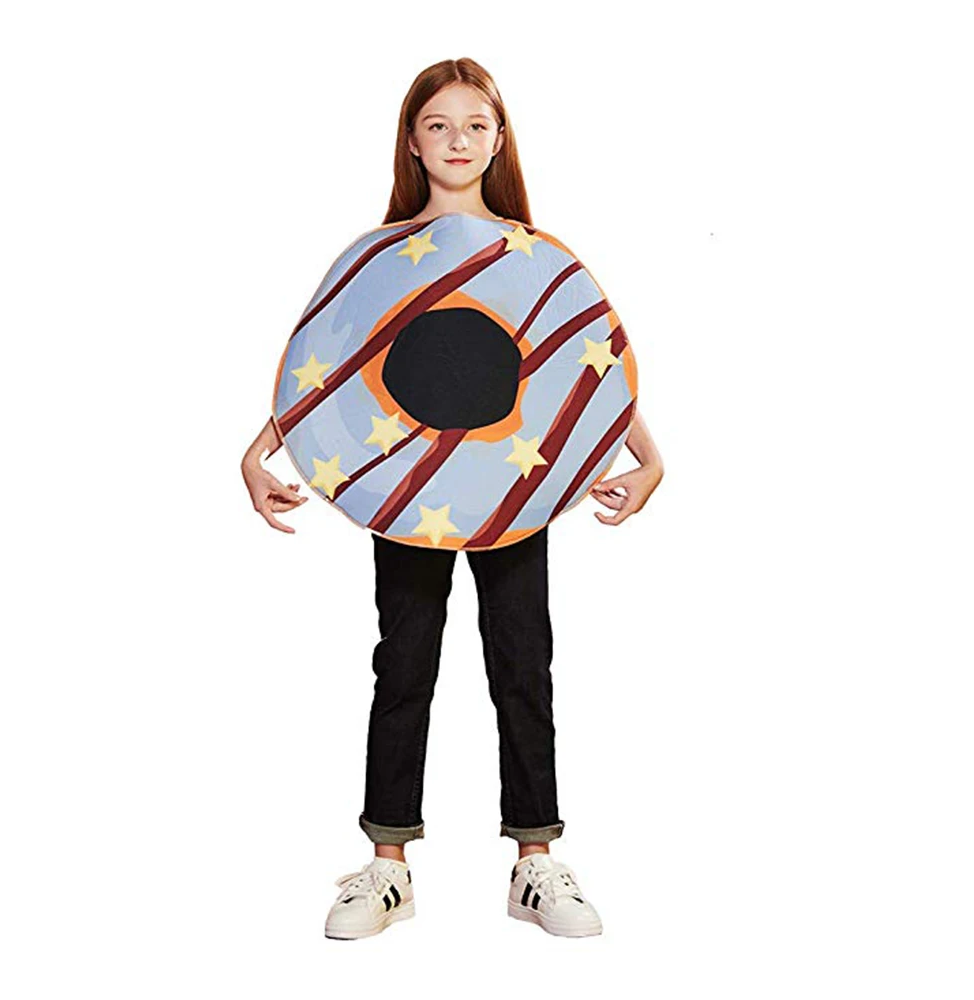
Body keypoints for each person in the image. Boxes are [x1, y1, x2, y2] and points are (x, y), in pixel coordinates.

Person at [240, 58, 664, 940]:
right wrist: (259, 450)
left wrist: (648, 457)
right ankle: (387, 866)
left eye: (475, 124)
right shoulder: (378, 258)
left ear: (499, 139)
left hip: (507, 483)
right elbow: (332, 367)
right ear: (412, 140)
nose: (457, 140)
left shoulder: (530, 258)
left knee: (523, 661)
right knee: (404, 662)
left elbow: (579, 364)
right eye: (438, 124)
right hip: (409, 486)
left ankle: (536, 861)